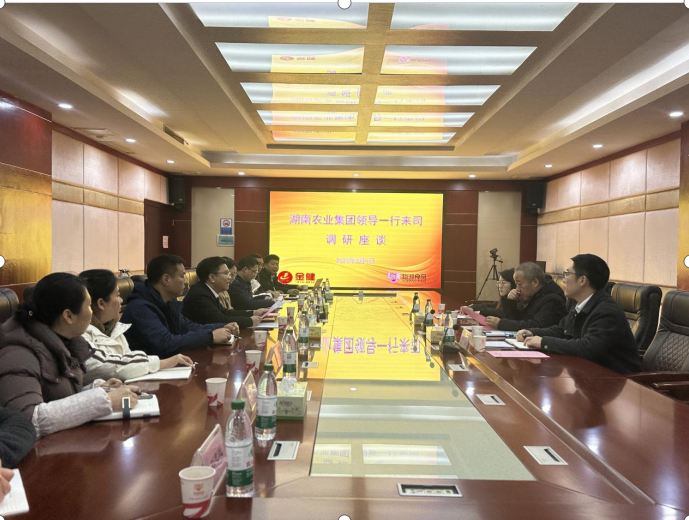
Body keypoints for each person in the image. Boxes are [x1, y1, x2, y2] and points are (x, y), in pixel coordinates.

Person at [0, 273, 140, 439]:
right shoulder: (19, 354)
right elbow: (28, 420)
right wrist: (105, 400)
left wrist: (96, 389)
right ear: (68, 316)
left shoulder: (65, 343)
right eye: (89, 306)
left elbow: (56, 395)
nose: (92, 313)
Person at [517, 254, 640, 374]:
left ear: (582, 280)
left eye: (567, 274)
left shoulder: (606, 311)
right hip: (588, 373)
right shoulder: (579, 303)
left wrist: (544, 342)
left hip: (618, 379)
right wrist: (532, 332)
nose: (563, 280)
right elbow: (562, 330)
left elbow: (588, 347)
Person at [79, 269, 193, 385]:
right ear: (101, 304)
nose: (121, 300)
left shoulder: (114, 327)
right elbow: (111, 366)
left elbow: (129, 360)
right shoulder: (79, 335)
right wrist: (162, 363)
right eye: (117, 295)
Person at [121, 255, 239, 357]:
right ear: (166, 279)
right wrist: (210, 337)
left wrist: (222, 327)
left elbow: (187, 327)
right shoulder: (140, 308)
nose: (186, 282)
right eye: (182, 276)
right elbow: (165, 343)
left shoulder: (167, 302)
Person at [182, 257, 265, 328]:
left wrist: (253, 313)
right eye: (226, 273)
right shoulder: (200, 295)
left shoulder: (208, 291)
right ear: (212, 277)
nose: (230, 278)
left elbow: (226, 312)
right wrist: (249, 321)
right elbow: (219, 319)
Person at [484, 262, 566, 331]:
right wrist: (511, 302)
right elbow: (517, 320)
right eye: (516, 284)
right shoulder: (530, 295)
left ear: (535, 282)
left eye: (520, 284)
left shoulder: (552, 300)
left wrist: (501, 323)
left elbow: (536, 325)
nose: (517, 289)